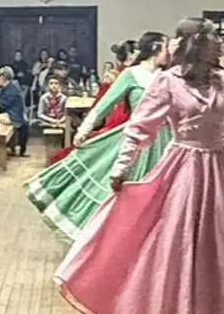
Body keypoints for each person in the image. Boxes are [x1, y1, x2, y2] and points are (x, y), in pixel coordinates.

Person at [56, 18, 224, 314]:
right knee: (176, 245)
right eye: (212, 40)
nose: (219, 45)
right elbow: (141, 128)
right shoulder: (167, 82)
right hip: (182, 166)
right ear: (195, 46)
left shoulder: (223, 82)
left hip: (219, 170)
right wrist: (120, 168)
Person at [27, 32, 169, 240]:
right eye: (166, 48)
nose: (170, 54)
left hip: (166, 142)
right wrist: (83, 131)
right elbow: (103, 106)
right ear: (156, 48)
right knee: (124, 189)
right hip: (137, 141)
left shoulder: (168, 76)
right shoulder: (133, 74)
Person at [0, 66, 27, 156]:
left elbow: (2, 106)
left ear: (3, 78)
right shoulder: (9, 87)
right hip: (13, 114)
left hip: (14, 117)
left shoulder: (10, 90)